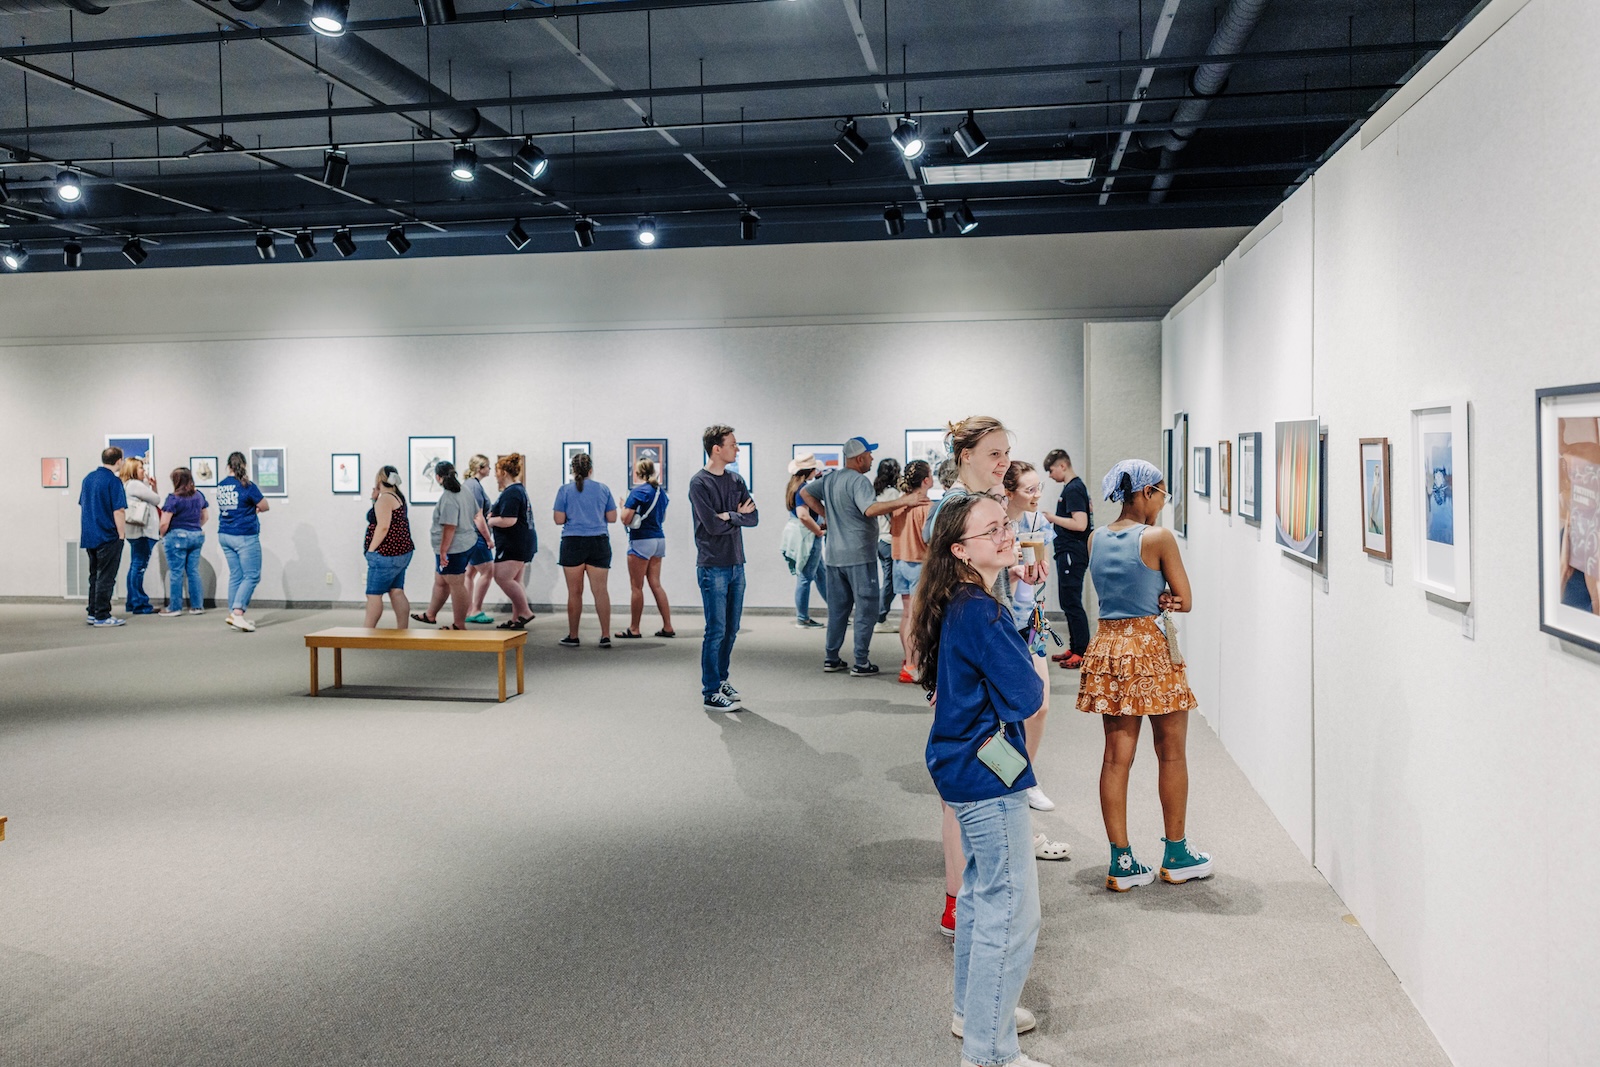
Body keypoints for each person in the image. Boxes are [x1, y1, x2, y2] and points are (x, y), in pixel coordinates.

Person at [913, 492, 1051, 1067]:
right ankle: (989, 1053)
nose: (1007, 533)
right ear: (959, 549)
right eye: (992, 529)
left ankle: (977, 1014)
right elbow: (1027, 694)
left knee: (980, 895)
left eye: (1006, 524)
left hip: (963, 764)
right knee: (1011, 909)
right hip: (984, 772)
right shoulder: (981, 610)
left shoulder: (959, 601)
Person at [921, 417, 1067, 942]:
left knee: (1006, 745)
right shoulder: (956, 512)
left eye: (1007, 452)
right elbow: (932, 591)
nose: (1004, 462)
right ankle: (959, 903)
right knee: (964, 794)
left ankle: (978, 888)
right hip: (974, 650)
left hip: (991, 639)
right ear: (964, 455)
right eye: (993, 453)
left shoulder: (988, 509)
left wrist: (1014, 573)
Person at [1077, 458, 1210, 892]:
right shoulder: (1157, 537)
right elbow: (1184, 599)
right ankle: (1176, 854)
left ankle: (1122, 861)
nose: (1162, 504)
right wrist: (1167, 598)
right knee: (1170, 752)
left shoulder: (1096, 537)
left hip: (1108, 647)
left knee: (1116, 757)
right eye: (1162, 494)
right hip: (1151, 649)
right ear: (1146, 492)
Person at [801, 437, 926, 676]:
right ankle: (861, 662)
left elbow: (807, 494)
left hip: (834, 556)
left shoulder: (830, 479)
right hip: (858, 555)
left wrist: (827, 514)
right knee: (866, 609)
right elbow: (869, 509)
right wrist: (904, 501)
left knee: (838, 610)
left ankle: (832, 657)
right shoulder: (859, 481)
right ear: (859, 458)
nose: (871, 458)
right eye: (869, 454)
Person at [1004, 461, 1061, 815]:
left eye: (1039, 487)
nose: (1037, 495)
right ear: (1009, 491)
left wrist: (1035, 571)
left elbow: (1041, 569)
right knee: (1003, 710)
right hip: (1001, 623)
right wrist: (1011, 572)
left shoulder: (1037, 522)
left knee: (1040, 705)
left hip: (1032, 620)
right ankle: (1006, 779)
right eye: (1029, 489)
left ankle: (1026, 776)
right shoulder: (995, 523)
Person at [688, 425, 758, 712]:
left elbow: (754, 518)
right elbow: (712, 526)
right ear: (717, 448)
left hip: (736, 564)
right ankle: (710, 690)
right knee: (715, 629)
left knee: (732, 628)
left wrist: (730, 515)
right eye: (733, 444)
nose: (737, 449)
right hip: (712, 565)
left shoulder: (736, 480)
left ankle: (721, 679)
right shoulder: (699, 483)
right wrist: (737, 517)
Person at [411, 461, 488, 630]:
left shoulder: (449, 498)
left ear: (438, 477)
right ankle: (431, 614)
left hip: (455, 548)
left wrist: (443, 551)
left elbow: (450, 527)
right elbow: (477, 514)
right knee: (441, 580)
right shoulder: (465, 491)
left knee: (456, 583)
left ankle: (459, 624)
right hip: (466, 543)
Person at [552, 452, 618, 648]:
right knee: (601, 591)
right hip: (598, 542)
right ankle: (605, 635)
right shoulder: (603, 489)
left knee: (574, 592)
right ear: (591, 470)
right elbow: (613, 517)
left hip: (572, 542)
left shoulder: (564, 490)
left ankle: (573, 636)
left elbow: (558, 519)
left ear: (573, 471)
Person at [1043, 449, 1092, 669]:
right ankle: (1075, 647)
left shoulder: (1073, 489)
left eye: (1051, 470)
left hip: (1072, 553)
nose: (1050, 475)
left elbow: (1080, 524)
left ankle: (1082, 651)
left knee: (1072, 602)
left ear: (1062, 466)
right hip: (1067, 552)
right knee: (1067, 601)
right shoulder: (1073, 488)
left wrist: (1051, 518)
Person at [616, 457, 674, 639]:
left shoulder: (638, 491)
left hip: (641, 540)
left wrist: (622, 507)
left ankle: (634, 628)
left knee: (636, 586)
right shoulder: (661, 492)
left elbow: (625, 519)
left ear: (637, 472)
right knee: (656, 584)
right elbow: (662, 517)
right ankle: (668, 626)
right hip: (659, 539)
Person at [888, 459, 933, 683]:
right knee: (917, 619)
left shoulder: (898, 506)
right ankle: (912, 665)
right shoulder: (927, 508)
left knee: (906, 615)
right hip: (918, 565)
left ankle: (908, 661)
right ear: (926, 480)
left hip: (900, 563)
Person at [216, 451, 269, 632]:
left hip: (224, 534)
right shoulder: (247, 485)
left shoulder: (221, 485)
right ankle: (238, 613)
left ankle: (233, 614)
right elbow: (265, 505)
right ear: (244, 465)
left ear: (228, 466)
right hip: (244, 535)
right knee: (252, 575)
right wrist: (254, 508)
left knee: (236, 575)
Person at [486, 453, 537, 630]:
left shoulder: (512, 492)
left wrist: (491, 521)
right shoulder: (518, 490)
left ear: (504, 473)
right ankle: (517, 618)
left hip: (513, 542)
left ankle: (524, 611)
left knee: (501, 576)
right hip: (523, 541)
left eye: (497, 473)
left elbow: (509, 520)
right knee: (516, 580)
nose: (495, 477)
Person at [80, 446, 128, 627]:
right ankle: (102, 615)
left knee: (94, 576)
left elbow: (83, 505)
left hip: (90, 534)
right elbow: (119, 510)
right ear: (118, 461)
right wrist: (121, 535)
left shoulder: (88, 479)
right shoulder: (113, 482)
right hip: (108, 535)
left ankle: (92, 612)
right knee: (106, 577)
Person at [363, 465, 414, 628]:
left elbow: (383, 526)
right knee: (396, 591)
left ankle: (367, 632)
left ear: (379, 480)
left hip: (386, 555)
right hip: (401, 552)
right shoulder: (397, 496)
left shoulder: (385, 499)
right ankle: (402, 630)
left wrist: (371, 550)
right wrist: (374, 499)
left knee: (373, 594)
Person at [782, 457, 827, 628]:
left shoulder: (793, 487)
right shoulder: (803, 489)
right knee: (805, 577)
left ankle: (838, 612)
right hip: (808, 536)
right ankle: (802, 618)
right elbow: (803, 515)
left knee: (821, 574)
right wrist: (818, 531)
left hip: (800, 534)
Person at [159, 466, 208, 616]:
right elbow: (205, 517)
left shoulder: (173, 498)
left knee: (176, 572)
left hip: (177, 537)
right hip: (197, 536)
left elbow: (164, 523)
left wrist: (162, 535)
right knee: (193, 572)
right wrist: (194, 528)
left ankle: (175, 607)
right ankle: (197, 606)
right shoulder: (199, 495)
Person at [119, 456, 161, 616]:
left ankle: (133, 601)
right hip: (143, 532)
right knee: (139, 567)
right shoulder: (136, 485)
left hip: (135, 532)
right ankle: (139, 603)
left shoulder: (128, 485)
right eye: (141, 468)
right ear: (133, 470)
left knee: (135, 566)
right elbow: (156, 499)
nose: (144, 470)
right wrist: (153, 488)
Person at [462, 454, 498, 625]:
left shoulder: (470, 485)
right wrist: (488, 539)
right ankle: (475, 609)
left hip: (469, 535)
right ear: (480, 468)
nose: (490, 470)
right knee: (487, 571)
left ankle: (468, 609)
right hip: (476, 536)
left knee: (470, 572)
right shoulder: (474, 487)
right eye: (488, 466)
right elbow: (477, 517)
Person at [872, 457, 902, 632]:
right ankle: (880, 618)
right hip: (889, 541)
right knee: (891, 582)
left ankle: (880, 616)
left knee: (888, 580)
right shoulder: (892, 493)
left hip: (879, 540)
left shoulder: (877, 491)